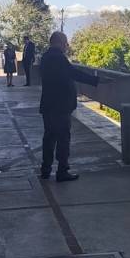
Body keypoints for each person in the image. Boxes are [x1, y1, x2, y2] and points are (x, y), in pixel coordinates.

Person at [39, 31, 101, 182]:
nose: (66, 47)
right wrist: (96, 80)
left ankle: (45, 169)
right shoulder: (58, 58)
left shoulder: (45, 57)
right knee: (62, 138)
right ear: (59, 42)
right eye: (66, 43)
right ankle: (62, 170)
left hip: (48, 105)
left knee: (49, 138)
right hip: (60, 106)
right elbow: (73, 73)